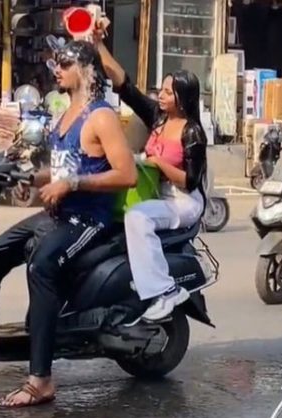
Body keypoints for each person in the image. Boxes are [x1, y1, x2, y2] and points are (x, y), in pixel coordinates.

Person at [0, 40, 136, 408]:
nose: (57, 69)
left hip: (87, 218)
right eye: (56, 62)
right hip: (56, 214)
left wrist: (72, 184)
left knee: (41, 266)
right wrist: (24, 177)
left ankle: (41, 379)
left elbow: (127, 174)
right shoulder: (65, 113)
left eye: (65, 63)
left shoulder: (101, 116)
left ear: (86, 71)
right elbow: (61, 171)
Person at [94, 28, 208, 322]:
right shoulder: (158, 118)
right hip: (156, 194)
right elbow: (124, 86)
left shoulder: (192, 132)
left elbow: (191, 181)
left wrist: (158, 163)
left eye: (168, 92)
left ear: (182, 98)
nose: (161, 95)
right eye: (162, 90)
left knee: (138, 218)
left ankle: (163, 290)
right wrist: (97, 44)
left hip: (183, 202)